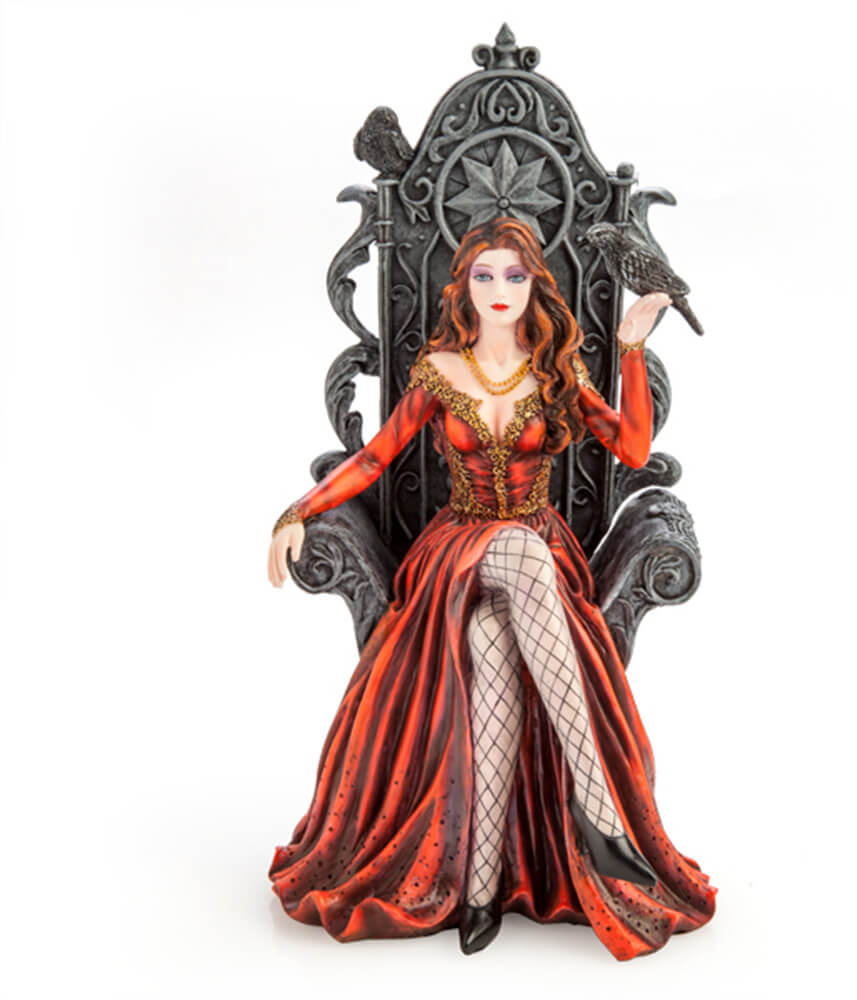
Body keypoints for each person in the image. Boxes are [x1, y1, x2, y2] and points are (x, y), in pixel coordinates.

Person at [266, 217, 715, 960]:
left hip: (537, 559)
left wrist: (632, 346)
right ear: (464, 287)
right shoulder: (440, 371)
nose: (499, 289)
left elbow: (633, 448)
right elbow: (375, 459)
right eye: (484, 275)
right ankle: (597, 810)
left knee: (493, 639)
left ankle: (479, 889)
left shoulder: (554, 371)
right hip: (458, 552)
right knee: (517, 551)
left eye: (514, 275)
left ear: (534, 284)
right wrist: (298, 510)